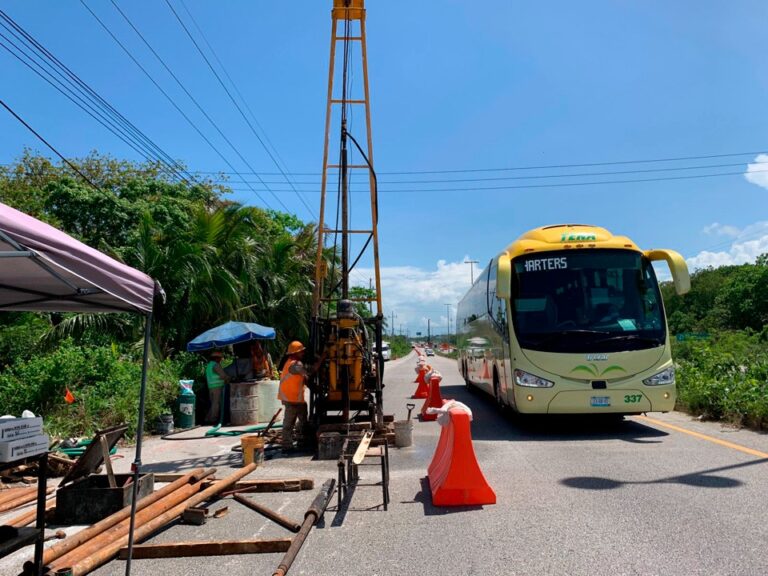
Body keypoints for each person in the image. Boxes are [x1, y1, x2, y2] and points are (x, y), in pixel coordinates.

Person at [278, 341, 321, 451]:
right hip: (291, 399)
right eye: (301, 351)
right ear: (295, 353)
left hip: (297, 399)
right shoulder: (294, 365)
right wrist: (322, 358)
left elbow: (304, 379)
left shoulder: (293, 363)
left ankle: (302, 440)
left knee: (303, 421)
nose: (303, 353)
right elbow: (309, 372)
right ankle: (286, 446)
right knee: (289, 423)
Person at [205, 350, 230, 424]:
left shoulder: (209, 365)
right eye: (220, 358)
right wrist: (229, 378)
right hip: (217, 387)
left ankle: (207, 419)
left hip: (211, 387)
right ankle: (213, 419)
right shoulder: (216, 365)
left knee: (213, 403)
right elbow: (223, 375)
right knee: (216, 404)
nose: (220, 360)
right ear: (216, 358)